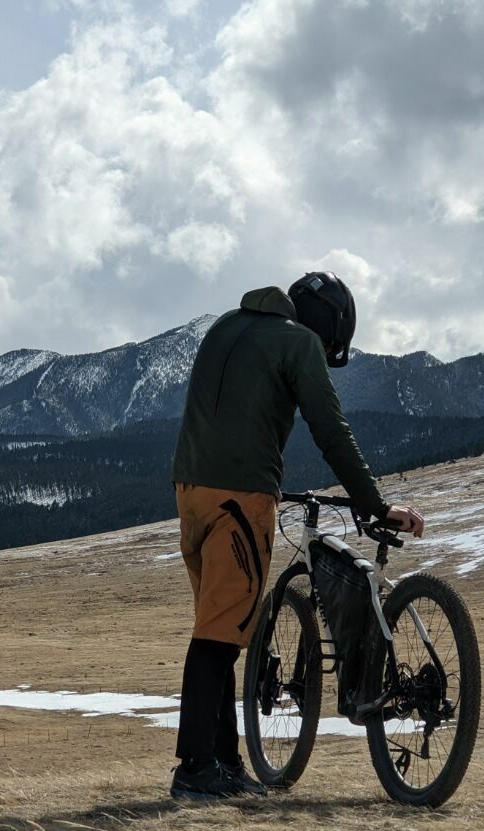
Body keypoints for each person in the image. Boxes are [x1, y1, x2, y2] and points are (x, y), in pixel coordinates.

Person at [167, 272, 426, 800]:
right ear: (329, 326)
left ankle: (223, 763)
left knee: (219, 627)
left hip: (190, 491)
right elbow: (331, 430)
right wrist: (375, 505)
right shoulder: (298, 342)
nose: (326, 352)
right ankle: (194, 770)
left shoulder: (225, 326)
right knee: (218, 638)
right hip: (242, 496)